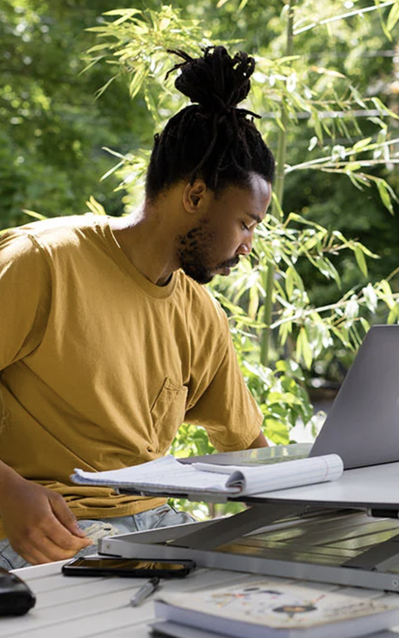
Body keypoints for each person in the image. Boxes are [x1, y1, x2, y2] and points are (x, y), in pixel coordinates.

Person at [0, 45, 275, 569]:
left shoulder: (198, 311)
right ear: (195, 197)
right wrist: (8, 492)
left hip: (157, 527)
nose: (248, 245)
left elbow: (250, 450)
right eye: (246, 223)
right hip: (49, 533)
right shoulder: (42, 263)